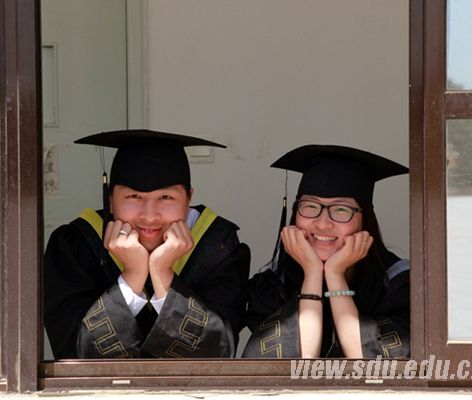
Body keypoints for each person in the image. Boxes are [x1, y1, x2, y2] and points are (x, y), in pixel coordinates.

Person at [44, 129, 250, 359]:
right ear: (110, 200)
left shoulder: (219, 246)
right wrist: (132, 276)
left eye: (166, 197)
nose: (149, 216)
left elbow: (219, 353)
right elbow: (72, 352)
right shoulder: (77, 245)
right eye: (134, 197)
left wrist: (163, 275)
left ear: (188, 199)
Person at [243, 145, 409, 359]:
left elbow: (371, 365)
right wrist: (313, 272)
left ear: (364, 221)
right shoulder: (272, 286)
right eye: (310, 206)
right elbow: (297, 368)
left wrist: (335, 274)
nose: (323, 224)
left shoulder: (399, 285)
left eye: (341, 209)